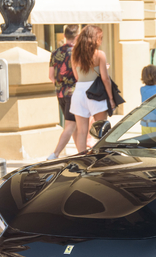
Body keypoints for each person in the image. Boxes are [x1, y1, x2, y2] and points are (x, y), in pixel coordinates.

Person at [70, 25, 115, 153]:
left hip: (79, 94)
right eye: (100, 38)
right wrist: (111, 98)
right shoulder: (100, 54)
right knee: (102, 129)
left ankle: (82, 160)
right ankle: (102, 157)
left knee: (82, 131)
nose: (101, 41)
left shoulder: (74, 55)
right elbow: (105, 79)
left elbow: (77, 76)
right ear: (94, 39)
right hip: (96, 94)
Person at [47, 25, 79, 160]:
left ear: (64, 36)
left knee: (74, 125)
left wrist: (60, 85)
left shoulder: (55, 53)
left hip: (60, 93)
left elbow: (50, 76)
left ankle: (81, 153)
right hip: (74, 93)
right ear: (77, 36)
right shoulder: (78, 53)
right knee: (71, 125)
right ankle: (55, 154)